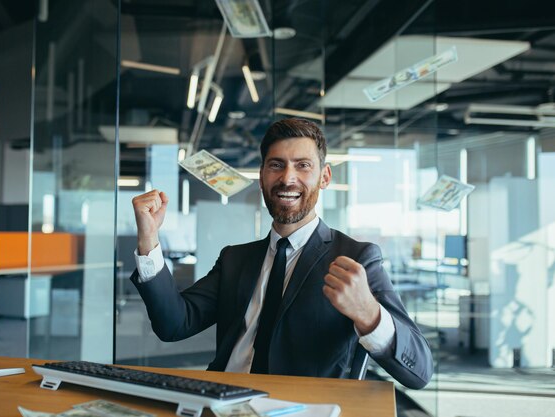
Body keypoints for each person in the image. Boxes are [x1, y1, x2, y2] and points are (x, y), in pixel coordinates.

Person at [130, 118, 433, 389]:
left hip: (300, 410)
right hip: (220, 402)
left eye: (303, 165)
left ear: (324, 177)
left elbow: (419, 372)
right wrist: (149, 240)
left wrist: (369, 315)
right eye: (276, 165)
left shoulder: (356, 257)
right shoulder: (236, 259)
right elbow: (174, 324)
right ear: (262, 175)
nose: (288, 178)